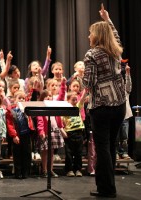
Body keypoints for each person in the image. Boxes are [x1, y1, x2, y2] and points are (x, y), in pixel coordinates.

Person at [83, 4, 126, 198]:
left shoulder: (91, 54)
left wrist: (80, 77)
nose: (88, 37)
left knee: (102, 148)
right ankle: (108, 187)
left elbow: (89, 83)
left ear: (97, 36)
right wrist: (107, 18)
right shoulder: (116, 50)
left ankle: (106, 189)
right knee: (110, 145)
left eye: (91, 33)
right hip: (119, 105)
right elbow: (115, 34)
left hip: (101, 107)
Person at [6, 90, 33, 179]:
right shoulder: (11, 110)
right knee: (17, 154)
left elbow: (31, 96)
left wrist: (33, 89)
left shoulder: (26, 108)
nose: (21, 100)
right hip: (17, 135)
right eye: (19, 98)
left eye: (23, 98)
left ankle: (26, 173)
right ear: (14, 99)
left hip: (26, 134)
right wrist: (14, 135)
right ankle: (18, 173)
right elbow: (9, 124)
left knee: (26, 153)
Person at [62, 89, 88, 177]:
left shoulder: (77, 107)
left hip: (79, 133)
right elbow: (61, 122)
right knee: (69, 153)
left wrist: (85, 90)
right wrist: (62, 131)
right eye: (73, 99)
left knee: (79, 153)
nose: (75, 101)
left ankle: (78, 170)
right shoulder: (65, 110)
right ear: (68, 100)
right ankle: (69, 170)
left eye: (76, 99)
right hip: (69, 133)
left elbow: (82, 99)